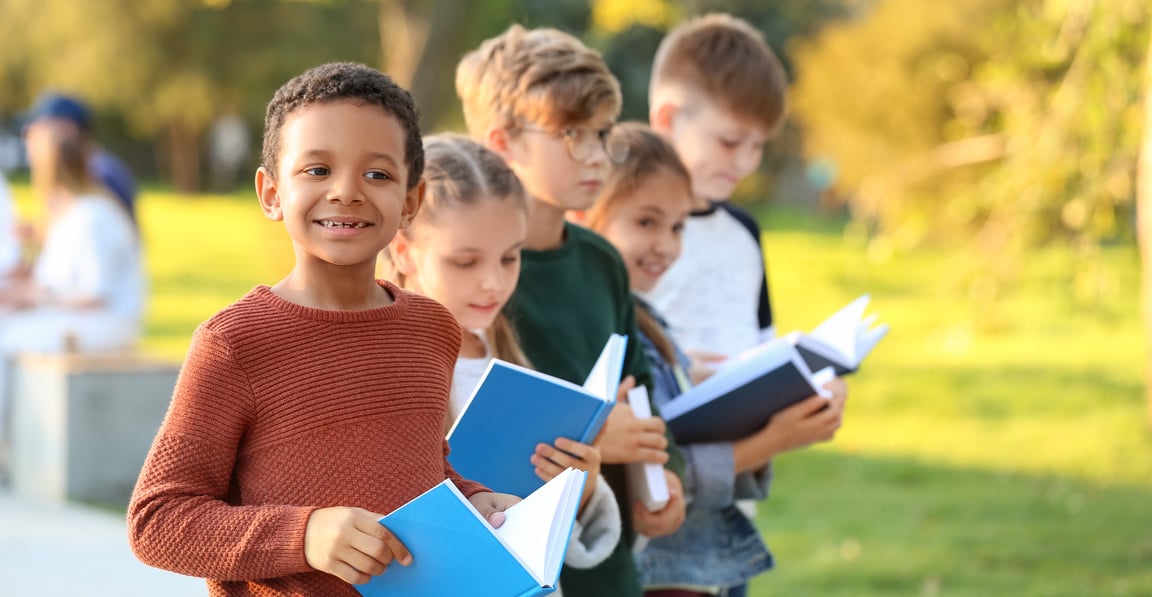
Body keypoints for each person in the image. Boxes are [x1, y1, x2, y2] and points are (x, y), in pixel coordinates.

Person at [126, 62, 518, 596]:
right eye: (316, 170)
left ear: (410, 201)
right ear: (271, 193)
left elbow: (424, 471)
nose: (347, 192)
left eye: (377, 174)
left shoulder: (432, 330)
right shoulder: (234, 344)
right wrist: (304, 534)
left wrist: (473, 497)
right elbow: (158, 521)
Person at [456, 24, 688, 597]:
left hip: (603, 560)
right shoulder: (471, 281)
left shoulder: (603, 262)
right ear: (503, 141)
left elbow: (641, 394)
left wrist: (666, 481)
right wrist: (593, 443)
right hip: (514, 556)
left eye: (602, 133)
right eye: (571, 134)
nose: (595, 155)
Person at [579, 123, 847, 596]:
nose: (666, 244)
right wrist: (775, 439)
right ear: (586, 215)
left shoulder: (651, 320)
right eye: (646, 222)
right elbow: (658, 467)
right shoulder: (601, 331)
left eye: (678, 227)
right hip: (657, 571)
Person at [382, 133, 623, 582]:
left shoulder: (506, 349)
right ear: (404, 251)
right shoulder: (384, 366)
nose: (493, 282)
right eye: (466, 262)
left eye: (510, 258)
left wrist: (580, 487)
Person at [0, 124, 144, 474]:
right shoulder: (74, 214)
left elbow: (94, 295)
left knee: (8, 339)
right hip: (84, 316)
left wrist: (36, 299)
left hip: (108, 322)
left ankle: (11, 448)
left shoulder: (94, 214)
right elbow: (57, 280)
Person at [22, 93, 138, 224]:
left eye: (42, 128)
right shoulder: (100, 166)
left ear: (67, 130)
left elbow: (105, 227)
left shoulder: (102, 171)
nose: (31, 137)